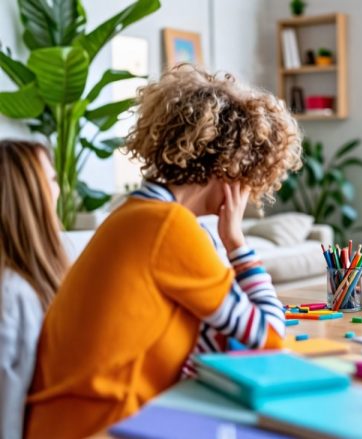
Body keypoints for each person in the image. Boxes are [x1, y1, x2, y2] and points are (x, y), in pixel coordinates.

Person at [25, 66, 302, 438]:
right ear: (232, 167)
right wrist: (236, 242)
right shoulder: (168, 227)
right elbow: (268, 334)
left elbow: (213, 337)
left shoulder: (137, 213)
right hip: (99, 428)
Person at [0, 140, 68, 439]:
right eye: (52, 179)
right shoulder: (13, 295)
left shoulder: (24, 286)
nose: (59, 189)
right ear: (28, 193)